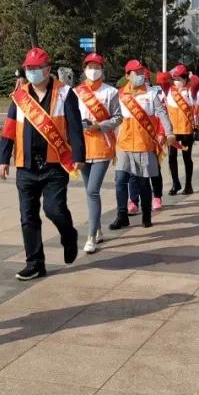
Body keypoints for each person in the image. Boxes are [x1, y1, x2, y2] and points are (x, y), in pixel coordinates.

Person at [0, 47, 85, 280]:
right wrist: (3, 159)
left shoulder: (65, 94)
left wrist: (78, 157)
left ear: (48, 69)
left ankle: (68, 235)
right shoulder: (19, 97)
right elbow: (8, 129)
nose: (33, 72)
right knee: (28, 217)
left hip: (54, 165)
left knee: (54, 209)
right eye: (29, 69)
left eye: (37, 68)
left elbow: (75, 128)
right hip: (25, 165)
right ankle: (35, 263)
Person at [111, 60, 173, 230]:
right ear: (127, 75)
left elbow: (162, 114)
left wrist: (168, 132)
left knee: (143, 182)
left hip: (144, 145)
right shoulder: (120, 95)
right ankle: (122, 215)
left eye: (141, 72)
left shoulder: (152, 94)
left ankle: (146, 215)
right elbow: (114, 118)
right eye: (135, 72)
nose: (139, 75)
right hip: (123, 145)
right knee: (120, 180)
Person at [74, 53, 122, 254]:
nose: (93, 70)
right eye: (89, 66)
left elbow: (118, 117)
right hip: (82, 147)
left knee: (93, 190)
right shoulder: (76, 92)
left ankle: (91, 236)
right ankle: (99, 229)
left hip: (103, 144)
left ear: (102, 69)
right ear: (84, 69)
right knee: (89, 191)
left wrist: (99, 125)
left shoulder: (110, 92)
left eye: (97, 66)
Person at [165, 64, 197, 195]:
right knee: (172, 157)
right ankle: (175, 183)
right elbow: (162, 78)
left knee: (186, 157)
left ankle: (188, 185)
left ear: (185, 79)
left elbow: (197, 81)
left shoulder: (190, 91)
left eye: (179, 79)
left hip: (186, 132)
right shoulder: (168, 91)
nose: (177, 81)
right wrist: (171, 72)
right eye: (175, 79)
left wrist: (189, 77)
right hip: (173, 132)